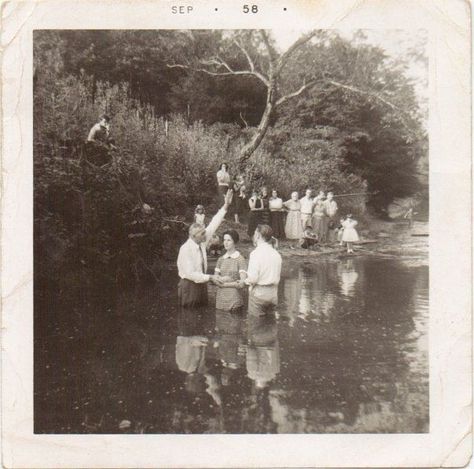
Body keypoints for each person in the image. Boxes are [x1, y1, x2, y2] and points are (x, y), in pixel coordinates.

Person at [177, 189, 233, 307]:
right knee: (189, 316)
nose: (205, 235)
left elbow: (214, 223)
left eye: (204, 232)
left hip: (202, 283)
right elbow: (190, 274)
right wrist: (211, 277)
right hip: (189, 285)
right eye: (202, 234)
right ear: (193, 236)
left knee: (202, 312)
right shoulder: (186, 249)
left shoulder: (200, 241)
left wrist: (226, 205)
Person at [246, 225, 282, 317]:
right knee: (270, 325)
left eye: (254, 234)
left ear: (258, 235)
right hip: (273, 294)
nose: (253, 236)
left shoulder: (255, 254)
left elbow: (253, 279)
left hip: (259, 294)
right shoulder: (276, 254)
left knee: (255, 326)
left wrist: (245, 281)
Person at [214, 229, 248, 312]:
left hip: (234, 301)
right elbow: (215, 279)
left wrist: (223, 284)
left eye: (229, 240)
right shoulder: (220, 259)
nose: (225, 242)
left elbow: (242, 283)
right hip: (220, 301)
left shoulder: (240, 259)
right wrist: (225, 279)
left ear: (234, 242)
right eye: (224, 240)